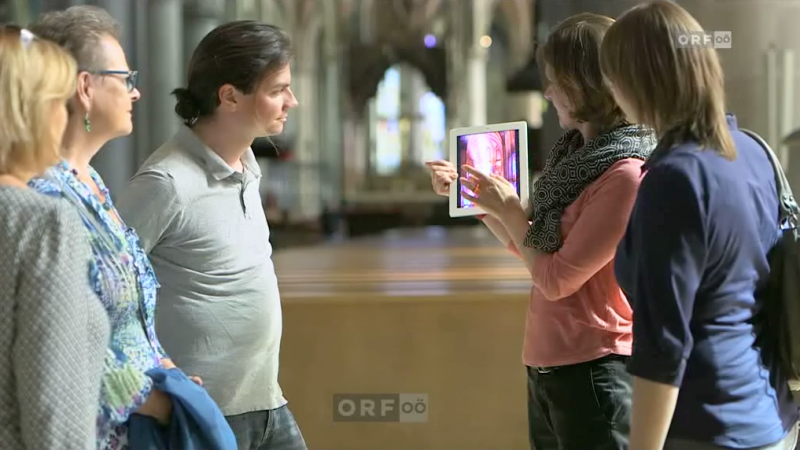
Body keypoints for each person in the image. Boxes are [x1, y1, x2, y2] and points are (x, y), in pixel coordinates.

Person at [428, 13, 656, 450]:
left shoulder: (625, 174)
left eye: (555, 81)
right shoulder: (574, 157)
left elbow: (555, 279)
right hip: (549, 365)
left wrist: (510, 209)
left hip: (595, 368)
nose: (547, 92)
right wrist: (480, 202)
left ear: (584, 83)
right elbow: (532, 251)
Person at [600, 2, 800, 449]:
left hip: (707, 425)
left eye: (613, 76)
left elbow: (664, 346)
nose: (611, 89)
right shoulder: (756, 153)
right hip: (773, 417)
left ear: (639, 80)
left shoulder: (673, 180)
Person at [115, 21, 304, 450]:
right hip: (202, 412)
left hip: (267, 401)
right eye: (278, 89)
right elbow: (103, 285)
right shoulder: (166, 181)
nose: (293, 100)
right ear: (230, 95)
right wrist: (141, 382)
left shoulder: (247, 165)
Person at [28, 6, 181, 449]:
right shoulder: (45, 195)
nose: (136, 92)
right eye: (126, 78)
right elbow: (61, 339)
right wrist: (150, 398)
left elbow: (125, 318)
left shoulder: (91, 182)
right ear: (85, 87)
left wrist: (165, 370)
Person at [0, 25, 109, 450]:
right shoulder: (43, 223)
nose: (66, 117)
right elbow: (56, 412)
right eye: (60, 104)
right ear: (31, 111)